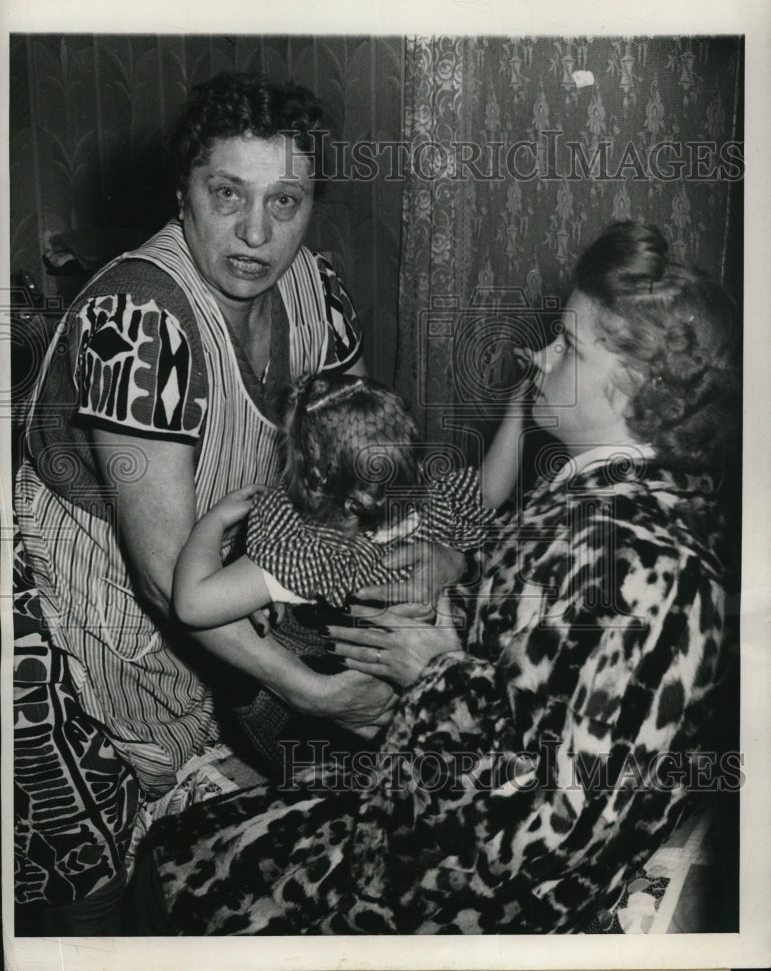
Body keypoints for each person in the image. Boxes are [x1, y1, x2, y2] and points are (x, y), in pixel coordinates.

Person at [130, 221, 740, 934]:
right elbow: (542, 666)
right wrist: (461, 584)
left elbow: (558, 829)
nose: (541, 356)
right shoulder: (602, 507)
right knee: (200, 842)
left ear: (641, 388)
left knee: (178, 870)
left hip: (464, 896)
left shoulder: (636, 560)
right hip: (441, 813)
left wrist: (435, 671)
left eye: (568, 345)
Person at [12, 71, 460, 935]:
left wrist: (427, 549)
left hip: (206, 608)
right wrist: (314, 693)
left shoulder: (316, 291)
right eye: (227, 194)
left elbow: (356, 470)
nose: (256, 234)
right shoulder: (139, 318)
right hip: (65, 627)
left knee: (216, 862)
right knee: (96, 896)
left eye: (284, 200)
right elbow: (162, 574)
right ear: (184, 193)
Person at [173, 371, 495, 623]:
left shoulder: (315, 554)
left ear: (316, 481)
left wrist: (214, 521)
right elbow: (492, 489)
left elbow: (192, 605)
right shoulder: (435, 504)